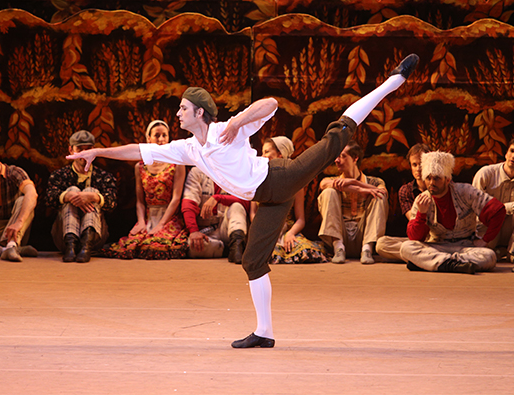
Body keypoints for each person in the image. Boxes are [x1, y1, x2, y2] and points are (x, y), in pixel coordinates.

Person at [67, 53, 420, 348]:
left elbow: (271, 103)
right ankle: (264, 333)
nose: (178, 114)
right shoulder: (188, 149)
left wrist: (239, 121)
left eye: (183, 109)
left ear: (200, 113)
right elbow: (138, 149)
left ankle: (392, 82)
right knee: (252, 261)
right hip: (268, 201)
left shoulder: (225, 131)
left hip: (282, 175)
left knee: (335, 136)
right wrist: (98, 150)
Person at [399, 151, 506, 274]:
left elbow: (498, 210)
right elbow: (414, 237)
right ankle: (453, 264)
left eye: (437, 178)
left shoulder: (465, 192)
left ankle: (435, 263)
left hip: (465, 246)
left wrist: (485, 240)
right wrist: (421, 214)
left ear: (447, 179)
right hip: (437, 246)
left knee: (489, 256)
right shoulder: (422, 200)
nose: (432, 183)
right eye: (428, 178)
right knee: (406, 248)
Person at [101, 120, 188, 259]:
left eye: (164, 135)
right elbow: (140, 201)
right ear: (148, 139)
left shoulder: (177, 164)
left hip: (169, 217)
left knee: (157, 246)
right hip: (148, 216)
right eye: (157, 135)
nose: (161, 139)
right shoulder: (140, 167)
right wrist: (141, 221)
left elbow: (176, 198)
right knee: (135, 244)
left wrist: (161, 224)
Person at [45, 130, 117, 263]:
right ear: (71, 150)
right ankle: (70, 244)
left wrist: (94, 197)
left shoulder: (104, 177)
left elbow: (112, 203)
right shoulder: (59, 175)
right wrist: (68, 196)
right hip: (62, 235)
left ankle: (86, 245)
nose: (84, 154)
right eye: (79, 149)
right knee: (71, 190)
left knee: (91, 192)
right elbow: (49, 199)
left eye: (88, 149)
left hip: (96, 236)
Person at [255, 137, 327, 264]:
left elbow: (300, 219)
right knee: (267, 253)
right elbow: (253, 214)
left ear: (280, 154)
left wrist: (290, 233)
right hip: (265, 231)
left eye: (266, 152)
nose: (262, 156)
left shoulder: (295, 182)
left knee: (305, 250)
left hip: (287, 230)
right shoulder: (257, 179)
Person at [318, 141, 388, 264]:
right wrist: (358, 188)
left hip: (364, 235)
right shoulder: (332, 180)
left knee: (379, 196)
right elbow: (323, 184)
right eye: (337, 156)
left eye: (342, 156)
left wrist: (355, 183)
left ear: (355, 158)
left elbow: (383, 191)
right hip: (340, 234)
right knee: (329, 192)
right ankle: (338, 248)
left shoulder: (375, 182)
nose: (337, 160)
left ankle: (367, 249)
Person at [472, 137, 514, 263]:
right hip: (488, 227)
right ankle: (498, 251)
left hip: (512, 230)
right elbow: (476, 207)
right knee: (481, 256)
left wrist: (501, 208)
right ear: (506, 154)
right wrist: (505, 209)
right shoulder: (486, 173)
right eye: (512, 151)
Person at [181, 166, 249, 263]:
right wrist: (194, 231)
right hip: (206, 231)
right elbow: (189, 203)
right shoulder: (197, 172)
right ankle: (229, 250)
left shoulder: (237, 172)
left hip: (227, 227)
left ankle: (237, 244)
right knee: (192, 247)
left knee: (237, 206)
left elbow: (246, 201)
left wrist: (218, 198)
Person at [376, 143, 431, 262]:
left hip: (438, 237)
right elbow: (413, 219)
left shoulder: (438, 185)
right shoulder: (405, 190)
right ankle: (424, 255)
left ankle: (419, 256)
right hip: (418, 238)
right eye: (414, 165)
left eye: (421, 164)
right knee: (381, 244)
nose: (418, 168)